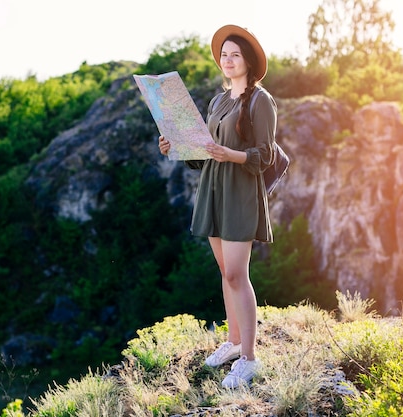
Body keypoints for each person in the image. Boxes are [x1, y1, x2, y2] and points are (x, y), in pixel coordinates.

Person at [158, 24, 277, 388]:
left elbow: (266, 156)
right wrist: (175, 148)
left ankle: (250, 358)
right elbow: (203, 155)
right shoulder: (217, 101)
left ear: (248, 61)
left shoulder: (261, 101)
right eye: (224, 54)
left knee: (238, 275)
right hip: (214, 189)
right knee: (226, 273)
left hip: (240, 191)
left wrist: (232, 155)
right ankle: (234, 340)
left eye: (234, 55)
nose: (227, 60)